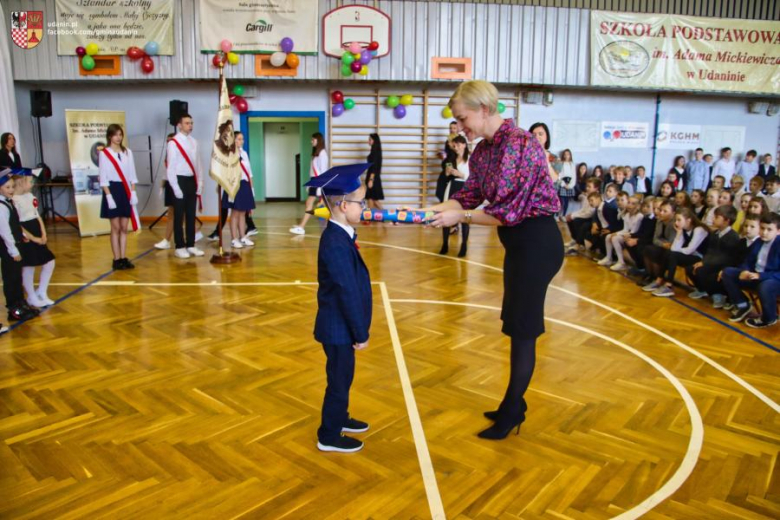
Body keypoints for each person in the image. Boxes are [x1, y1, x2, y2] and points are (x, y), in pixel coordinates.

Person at [428, 80, 563, 440]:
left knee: (523, 331)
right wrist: (436, 209)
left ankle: (513, 411)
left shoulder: (520, 144)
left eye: (462, 118)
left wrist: (461, 217)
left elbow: (507, 212)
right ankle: (511, 404)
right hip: (518, 245)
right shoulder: (484, 150)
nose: (459, 126)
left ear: (484, 109)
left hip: (537, 243)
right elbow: (469, 195)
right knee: (514, 324)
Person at [306, 163, 372, 453]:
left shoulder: (341, 233)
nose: (365, 207)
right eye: (361, 203)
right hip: (339, 329)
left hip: (340, 328)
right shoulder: (334, 242)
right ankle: (329, 434)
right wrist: (361, 332)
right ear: (344, 206)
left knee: (344, 377)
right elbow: (346, 291)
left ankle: (340, 418)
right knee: (338, 380)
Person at [722, 213, 780, 328]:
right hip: (755, 276)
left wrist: (761, 276)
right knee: (728, 272)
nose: (764, 232)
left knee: (766, 286)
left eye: (769, 230)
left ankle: (769, 318)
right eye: (762, 228)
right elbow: (748, 261)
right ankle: (743, 305)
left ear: (778, 231)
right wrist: (745, 270)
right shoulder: (758, 241)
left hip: (773, 280)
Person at [99, 124, 139, 270]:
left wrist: (133, 191)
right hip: (112, 189)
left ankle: (123, 257)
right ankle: (116, 259)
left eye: (120, 134)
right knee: (115, 227)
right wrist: (108, 196)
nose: (118, 137)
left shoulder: (128, 152)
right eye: (115, 134)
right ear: (110, 136)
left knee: (124, 227)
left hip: (125, 189)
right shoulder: (105, 153)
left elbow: (132, 174)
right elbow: (102, 177)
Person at [646, 207, 709, 297]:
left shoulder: (699, 230)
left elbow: (689, 250)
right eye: (676, 220)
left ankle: (669, 285)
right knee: (669, 253)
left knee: (673, 255)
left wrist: (677, 249)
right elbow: (673, 249)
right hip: (691, 255)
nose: (676, 223)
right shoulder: (683, 230)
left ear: (688, 220)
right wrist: (679, 233)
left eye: (679, 220)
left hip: (701, 258)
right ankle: (659, 280)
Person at [14, 173, 56, 308]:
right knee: (29, 266)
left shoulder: (30, 196)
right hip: (26, 234)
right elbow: (17, 224)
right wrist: (32, 238)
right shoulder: (14, 200)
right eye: (30, 181)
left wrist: (43, 234)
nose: (32, 184)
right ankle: (31, 296)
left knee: (49, 261)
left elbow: (37, 216)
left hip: (37, 230)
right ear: (21, 182)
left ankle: (42, 291)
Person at [0, 170, 37, 322]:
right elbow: (4, 231)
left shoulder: (8, 202)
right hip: (9, 249)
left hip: (16, 244)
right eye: (7, 187)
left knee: (17, 276)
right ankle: (13, 308)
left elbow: (14, 224)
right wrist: (13, 250)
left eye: (12, 187)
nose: (11, 190)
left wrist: (21, 236)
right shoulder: (1, 206)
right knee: (11, 278)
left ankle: (20, 303)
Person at [687, 205, 740, 309]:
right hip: (712, 262)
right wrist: (704, 261)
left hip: (723, 265)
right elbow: (709, 251)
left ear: (726, 221)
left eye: (716, 217)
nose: (713, 219)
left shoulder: (733, 236)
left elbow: (726, 257)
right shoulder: (715, 233)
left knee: (703, 271)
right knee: (690, 268)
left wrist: (706, 263)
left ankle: (717, 294)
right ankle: (703, 290)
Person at [167, 114, 205, 259]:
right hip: (179, 180)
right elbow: (171, 167)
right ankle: (179, 246)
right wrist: (176, 188)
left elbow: (198, 163)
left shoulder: (194, 142)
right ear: (179, 125)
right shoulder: (173, 143)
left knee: (191, 214)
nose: (190, 125)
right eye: (187, 123)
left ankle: (191, 244)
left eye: (191, 123)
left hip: (191, 180)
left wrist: (200, 182)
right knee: (179, 215)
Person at [221, 131, 256, 250]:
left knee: (243, 213)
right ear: (233, 140)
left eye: (242, 139)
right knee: (235, 213)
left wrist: (252, 190)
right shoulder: (229, 154)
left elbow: (249, 173)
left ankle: (243, 236)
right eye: (239, 139)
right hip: (234, 185)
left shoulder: (244, 154)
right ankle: (233, 239)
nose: (242, 141)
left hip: (245, 185)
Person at [290, 132, 329, 235]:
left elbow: (323, 171)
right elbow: (312, 170)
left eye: (313, 140)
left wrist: (320, 186)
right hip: (314, 181)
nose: (311, 141)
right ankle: (301, 226)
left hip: (318, 182)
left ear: (318, 140)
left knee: (309, 203)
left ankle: (301, 227)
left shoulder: (322, 154)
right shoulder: (316, 153)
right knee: (314, 204)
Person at [439, 135, 471, 257]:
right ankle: (445, 244)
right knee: (445, 214)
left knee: (465, 217)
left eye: (458, 144)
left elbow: (473, 178)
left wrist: (461, 174)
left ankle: (464, 245)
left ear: (464, 144)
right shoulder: (451, 158)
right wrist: (447, 172)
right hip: (451, 187)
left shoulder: (471, 159)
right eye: (454, 145)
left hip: (465, 188)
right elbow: (446, 175)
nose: (455, 147)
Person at [554, 149, 576, 219]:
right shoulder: (561, 163)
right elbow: (559, 175)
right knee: (560, 201)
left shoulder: (572, 164)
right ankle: (557, 215)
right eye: (565, 154)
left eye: (568, 154)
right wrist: (563, 184)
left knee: (566, 202)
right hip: (562, 184)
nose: (566, 156)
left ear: (570, 155)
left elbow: (574, 176)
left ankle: (563, 215)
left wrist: (570, 185)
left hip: (569, 184)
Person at [365, 133, 384, 210]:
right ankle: (370, 218)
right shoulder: (374, 151)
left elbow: (374, 167)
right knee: (370, 198)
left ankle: (388, 217)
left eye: (370, 139)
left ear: (374, 141)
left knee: (375, 200)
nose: (368, 141)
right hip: (372, 177)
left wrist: (371, 180)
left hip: (373, 178)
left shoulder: (375, 152)